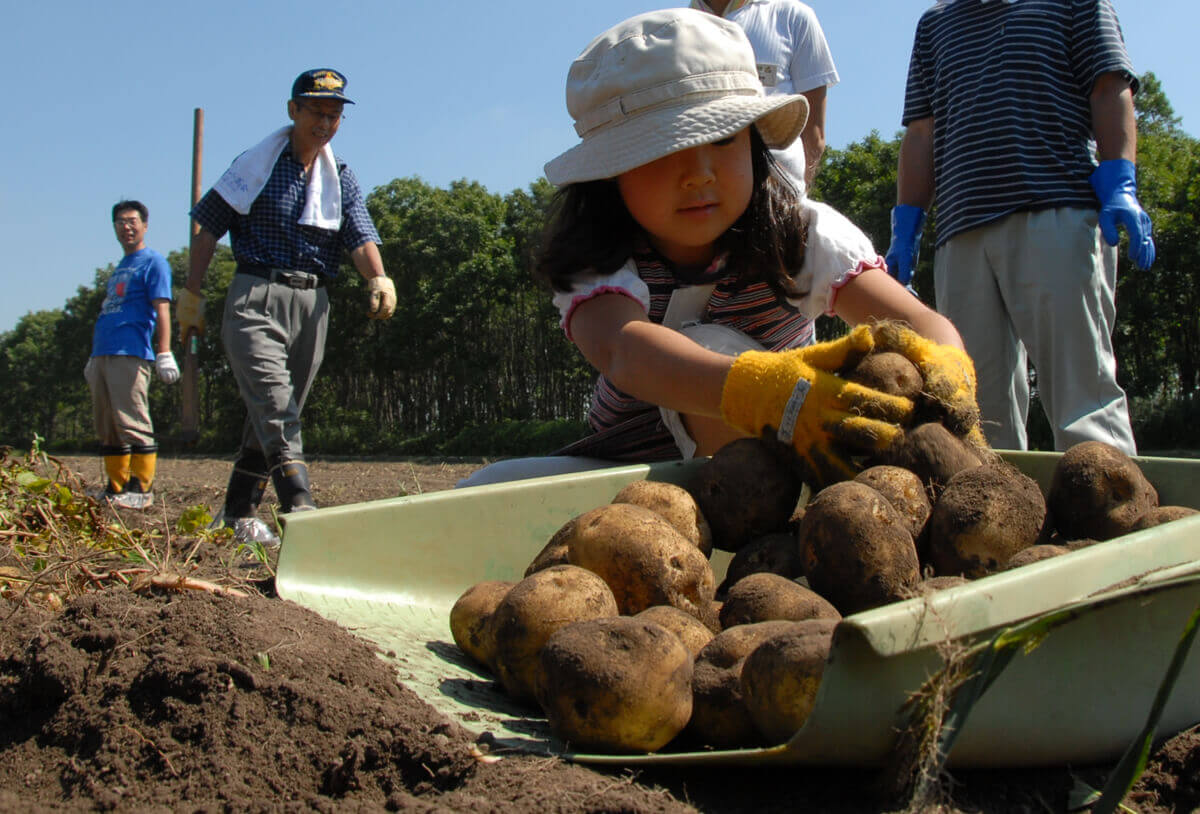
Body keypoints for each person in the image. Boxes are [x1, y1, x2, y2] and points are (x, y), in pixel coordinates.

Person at [461, 9, 979, 489]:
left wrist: (947, 364)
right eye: (665, 149)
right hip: (632, 476)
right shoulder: (600, 257)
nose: (699, 174)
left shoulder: (800, 235)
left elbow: (918, 324)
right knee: (481, 491)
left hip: (789, 472)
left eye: (724, 138)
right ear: (607, 176)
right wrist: (762, 389)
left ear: (755, 145)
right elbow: (625, 350)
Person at [885, 0, 1154, 455]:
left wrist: (1119, 181)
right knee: (976, 417)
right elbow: (921, 133)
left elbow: (1109, 88)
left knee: (1083, 399)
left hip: (1057, 216)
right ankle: (998, 519)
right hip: (961, 234)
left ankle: (1117, 517)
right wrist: (906, 225)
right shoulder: (934, 25)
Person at [179, 68, 396, 543]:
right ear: (293, 110)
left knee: (277, 409)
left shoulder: (339, 176)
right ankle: (301, 510)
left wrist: (378, 275)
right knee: (277, 405)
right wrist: (191, 294)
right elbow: (209, 224)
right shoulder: (256, 165)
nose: (325, 121)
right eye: (316, 110)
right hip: (256, 295)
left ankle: (237, 514)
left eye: (334, 113)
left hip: (313, 304)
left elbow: (358, 234)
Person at [85, 201, 179, 509]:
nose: (126, 227)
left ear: (144, 225)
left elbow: (162, 308)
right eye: (120, 222)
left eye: (132, 221)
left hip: (131, 351)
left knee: (132, 422)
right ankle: (116, 487)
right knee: (108, 426)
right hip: (103, 353)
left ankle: (142, 489)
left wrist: (164, 352)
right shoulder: (121, 267)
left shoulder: (153, 262)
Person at [691, 0, 839, 190]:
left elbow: (814, 135)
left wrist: (796, 198)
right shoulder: (674, 32)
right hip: (705, 195)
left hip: (778, 195)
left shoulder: (792, 16)